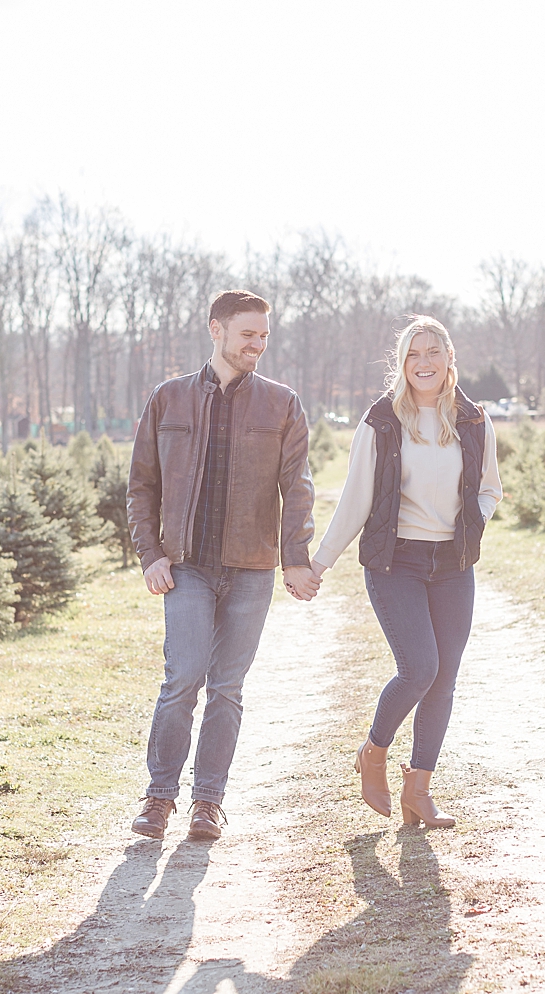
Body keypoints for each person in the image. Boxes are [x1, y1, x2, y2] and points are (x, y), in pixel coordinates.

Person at [126, 289, 320, 842]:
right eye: (247, 335)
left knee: (227, 688)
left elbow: (297, 487)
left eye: (263, 336)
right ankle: (159, 798)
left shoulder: (282, 403)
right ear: (216, 329)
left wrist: (295, 558)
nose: (257, 345)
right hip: (185, 567)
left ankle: (207, 802)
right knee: (182, 679)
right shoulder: (169, 398)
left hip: (250, 570)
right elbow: (143, 485)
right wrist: (151, 555)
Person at [310, 316, 501, 828]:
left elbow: (489, 487)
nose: (424, 363)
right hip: (397, 562)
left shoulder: (473, 420)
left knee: (444, 679)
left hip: (453, 564)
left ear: (449, 360)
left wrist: (476, 520)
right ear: (402, 363)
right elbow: (355, 498)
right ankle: (374, 752)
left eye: (433, 352)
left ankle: (419, 788)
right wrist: (320, 561)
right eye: (414, 354)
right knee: (419, 668)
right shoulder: (381, 422)